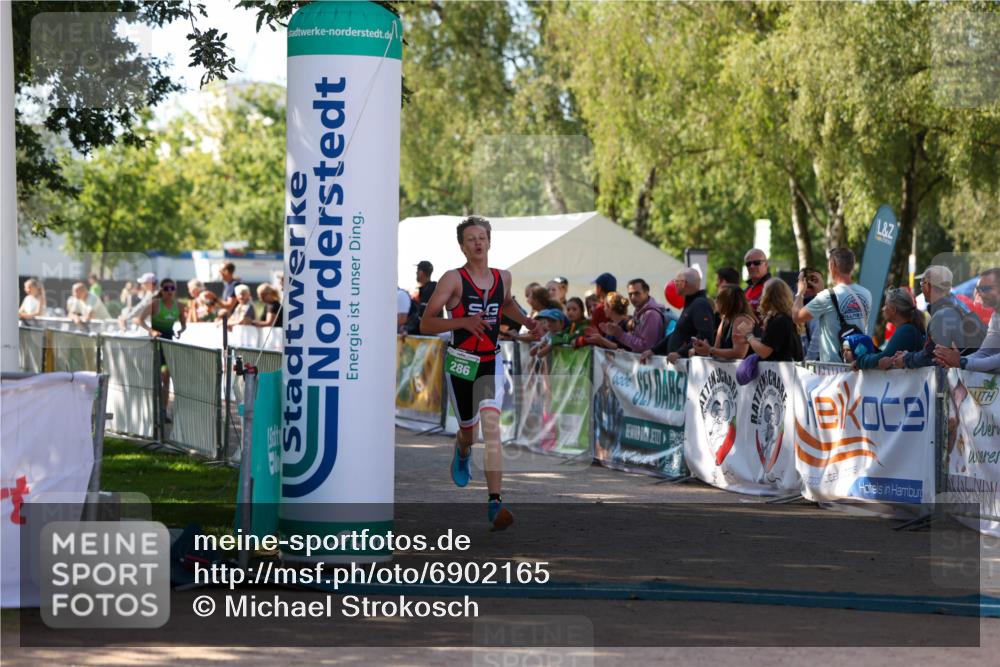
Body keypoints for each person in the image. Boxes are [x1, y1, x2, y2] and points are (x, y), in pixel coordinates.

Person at [419, 215, 542, 531]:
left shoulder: (504, 277)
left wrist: (527, 322)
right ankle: (461, 451)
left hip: (490, 362)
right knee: (469, 434)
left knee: (493, 430)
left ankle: (494, 502)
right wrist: (460, 322)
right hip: (461, 361)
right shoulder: (452, 279)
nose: (477, 242)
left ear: (489, 241)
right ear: (462, 246)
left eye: (482, 237)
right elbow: (427, 323)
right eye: (471, 238)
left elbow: (507, 304)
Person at [794, 247, 872, 363]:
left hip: (833, 370)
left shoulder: (826, 296)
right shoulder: (866, 294)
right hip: (857, 366)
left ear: (832, 264)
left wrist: (800, 292)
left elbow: (797, 317)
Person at [891, 265, 976, 369]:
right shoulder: (958, 308)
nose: (921, 288)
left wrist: (905, 359)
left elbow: (931, 355)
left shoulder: (943, 315)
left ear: (928, 286)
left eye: (922, 283)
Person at [133, 278, 186, 421]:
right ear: (161, 291)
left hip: (168, 345)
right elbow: (139, 319)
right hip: (155, 345)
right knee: (152, 378)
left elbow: (183, 325)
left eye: (172, 288)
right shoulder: (155, 304)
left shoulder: (180, 306)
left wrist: (181, 331)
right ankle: (149, 410)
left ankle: (163, 411)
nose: (169, 291)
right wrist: (151, 331)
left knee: (166, 377)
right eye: (166, 289)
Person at [933, 267, 1000, 372]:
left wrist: (962, 362)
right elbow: (985, 352)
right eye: (978, 289)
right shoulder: (996, 316)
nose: (980, 294)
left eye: (986, 289)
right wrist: (954, 361)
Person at [645, 269, 715, 364]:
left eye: (676, 281)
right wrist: (653, 350)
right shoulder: (692, 304)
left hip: (690, 369)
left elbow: (705, 336)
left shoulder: (699, 304)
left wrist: (680, 353)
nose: (674, 284)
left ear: (684, 283)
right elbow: (677, 333)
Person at [849, 288, 926, 370]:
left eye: (886, 305)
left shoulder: (907, 330)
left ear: (893, 310)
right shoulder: (909, 328)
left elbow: (884, 357)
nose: (883, 308)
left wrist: (860, 362)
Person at [739, 278, 803, 362]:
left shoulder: (780, 320)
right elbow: (772, 343)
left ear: (768, 296)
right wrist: (752, 340)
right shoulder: (785, 317)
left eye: (763, 293)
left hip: (784, 372)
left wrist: (749, 335)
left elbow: (764, 352)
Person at [597, 278, 666, 354]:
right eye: (630, 294)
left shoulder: (651, 314)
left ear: (646, 292)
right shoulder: (639, 312)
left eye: (637, 293)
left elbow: (646, 347)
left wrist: (620, 334)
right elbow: (635, 344)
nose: (633, 297)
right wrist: (626, 351)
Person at [691, 284, 754, 360]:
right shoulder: (725, 320)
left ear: (727, 302)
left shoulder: (741, 320)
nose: (715, 301)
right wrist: (705, 348)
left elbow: (739, 353)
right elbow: (717, 349)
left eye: (718, 298)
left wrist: (710, 350)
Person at [797, 267, 824, 361]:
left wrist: (807, 362)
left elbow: (817, 341)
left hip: (817, 364)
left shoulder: (820, 305)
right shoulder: (797, 303)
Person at [744, 248, 771, 318]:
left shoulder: (773, 287)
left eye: (756, 263)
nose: (752, 266)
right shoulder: (745, 290)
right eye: (748, 264)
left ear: (766, 264)